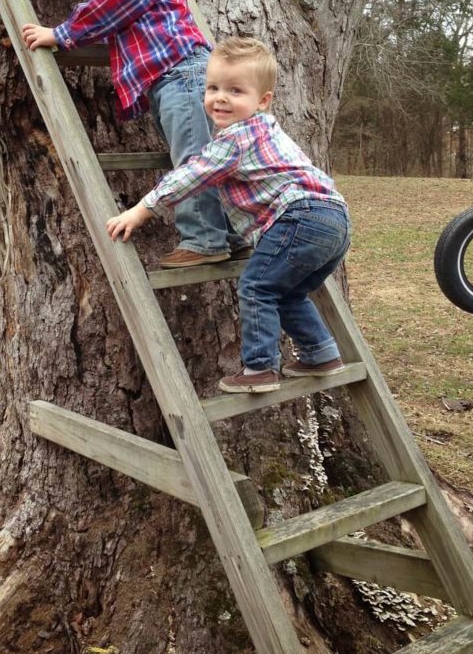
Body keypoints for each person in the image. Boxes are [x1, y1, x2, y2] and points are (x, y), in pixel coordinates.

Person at [21, 0, 244, 269]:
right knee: (200, 156)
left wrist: (61, 34)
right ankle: (229, 233)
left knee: (192, 159)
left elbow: (109, 8)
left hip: (184, 76)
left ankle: (205, 240)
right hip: (169, 81)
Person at [106, 37, 351, 394]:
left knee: (256, 285)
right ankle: (321, 353)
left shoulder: (234, 139)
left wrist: (141, 210)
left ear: (262, 101)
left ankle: (260, 369)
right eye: (212, 88)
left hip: (299, 218)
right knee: (288, 293)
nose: (220, 98)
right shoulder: (267, 129)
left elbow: (190, 174)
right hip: (335, 221)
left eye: (235, 91)